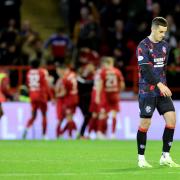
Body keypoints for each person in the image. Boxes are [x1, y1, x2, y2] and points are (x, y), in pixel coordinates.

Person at [136, 17, 180, 168]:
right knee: (145, 123)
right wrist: (160, 85)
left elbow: (162, 69)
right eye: (161, 32)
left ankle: (165, 156)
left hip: (162, 91)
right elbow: (146, 70)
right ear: (153, 29)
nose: (163, 35)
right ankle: (141, 158)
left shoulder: (165, 46)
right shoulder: (143, 46)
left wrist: (163, 86)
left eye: (165, 32)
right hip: (147, 91)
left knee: (172, 120)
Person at [22, 60, 52, 139]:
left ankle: (26, 129)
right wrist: (51, 96)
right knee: (44, 115)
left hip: (32, 96)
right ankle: (44, 135)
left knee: (33, 116)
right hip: (41, 96)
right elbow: (46, 85)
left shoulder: (28, 73)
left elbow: (28, 84)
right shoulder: (42, 71)